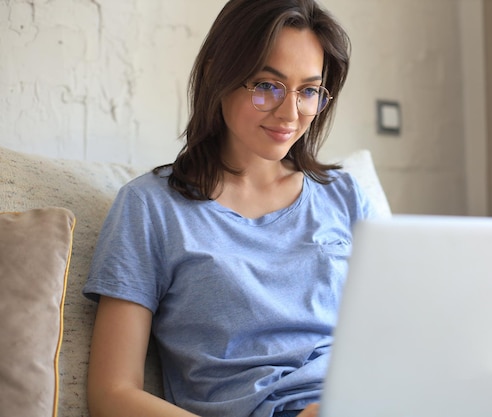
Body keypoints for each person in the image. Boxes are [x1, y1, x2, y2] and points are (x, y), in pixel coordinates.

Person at [83, 0, 376, 416]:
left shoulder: (346, 195)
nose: (290, 113)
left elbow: (399, 336)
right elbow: (111, 394)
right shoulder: (150, 207)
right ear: (216, 73)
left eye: (309, 91)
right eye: (267, 85)